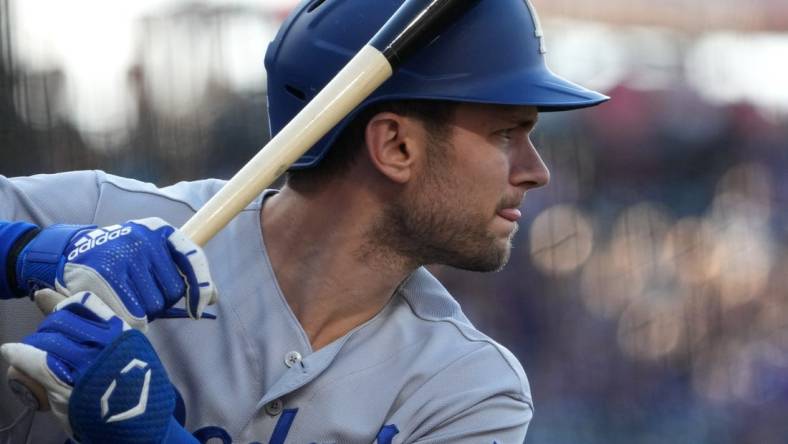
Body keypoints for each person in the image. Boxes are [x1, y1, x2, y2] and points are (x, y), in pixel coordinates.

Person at [0, 0, 608, 442]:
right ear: (395, 146)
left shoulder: (468, 392)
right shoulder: (105, 219)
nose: (536, 171)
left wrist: (156, 438)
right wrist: (30, 252)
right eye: (507, 134)